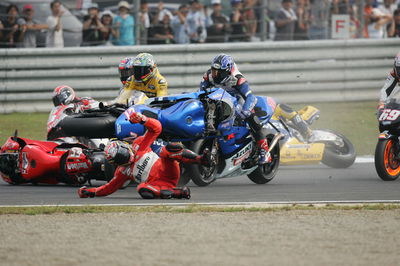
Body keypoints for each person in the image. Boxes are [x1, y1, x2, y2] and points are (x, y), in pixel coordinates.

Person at [78, 111, 210, 199]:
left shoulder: (139, 144)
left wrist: (143, 119)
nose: (125, 157)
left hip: (168, 169)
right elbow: (109, 188)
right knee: (142, 188)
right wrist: (91, 192)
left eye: (123, 152)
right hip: (159, 185)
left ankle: (200, 159)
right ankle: (178, 193)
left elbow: (157, 128)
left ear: (125, 146)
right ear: (116, 163)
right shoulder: (122, 171)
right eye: (120, 158)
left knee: (166, 149)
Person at [199, 54, 272, 164]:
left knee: (251, 118)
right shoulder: (208, 75)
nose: (214, 73)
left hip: (237, 103)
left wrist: (246, 110)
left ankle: (264, 151)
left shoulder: (237, 78)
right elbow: (201, 92)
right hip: (218, 103)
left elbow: (250, 97)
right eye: (213, 70)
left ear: (226, 70)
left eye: (218, 71)